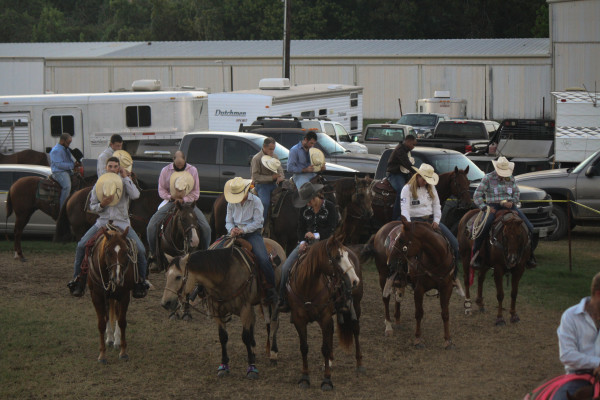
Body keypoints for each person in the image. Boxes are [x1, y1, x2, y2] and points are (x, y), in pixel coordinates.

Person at [67, 156, 149, 298]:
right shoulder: (100, 183)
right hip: (103, 222)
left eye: (115, 167)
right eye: (110, 166)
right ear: (106, 168)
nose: (112, 169)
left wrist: (125, 177)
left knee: (140, 250)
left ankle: (140, 281)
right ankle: (77, 280)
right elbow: (92, 207)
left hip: (122, 223)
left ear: (119, 168)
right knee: (81, 245)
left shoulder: (124, 182)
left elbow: (136, 195)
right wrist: (102, 204)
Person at [277, 181, 338, 312]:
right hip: (306, 242)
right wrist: (303, 241)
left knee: (338, 267)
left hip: (326, 243)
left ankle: (341, 298)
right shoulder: (304, 209)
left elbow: (332, 229)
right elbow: (300, 228)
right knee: (286, 267)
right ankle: (282, 298)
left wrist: (315, 235)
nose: (306, 203)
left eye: (308, 200)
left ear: (314, 196)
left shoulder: (330, 207)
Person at [146, 151, 211, 268]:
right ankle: (155, 255)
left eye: (182, 165)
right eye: (178, 165)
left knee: (205, 227)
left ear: (185, 160)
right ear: (173, 160)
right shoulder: (165, 171)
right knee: (151, 226)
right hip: (171, 202)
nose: (180, 167)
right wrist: (171, 197)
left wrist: (184, 199)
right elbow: (161, 190)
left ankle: (205, 254)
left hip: (188, 204)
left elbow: (196, 193)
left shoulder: (193, 170)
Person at [471, 156, 537, 268]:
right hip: (493, 206)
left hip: (510, 206)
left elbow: (516, 193)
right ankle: (477, 254)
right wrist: (484, 207)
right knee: (484, 226)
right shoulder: (488, 178)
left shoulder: (511, 178)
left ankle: (529, 255)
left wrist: (512, 202)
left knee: (530, 228)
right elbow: (477, 195)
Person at [224, 177, 278, 304]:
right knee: (216, 252)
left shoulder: (256, 201)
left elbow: (258, 222)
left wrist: (243, 230)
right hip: (234, 233)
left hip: (252, 234)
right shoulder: (231, 203)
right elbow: (228, 221)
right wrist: (232, 229)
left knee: (264, 259)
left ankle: (271, 289)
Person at [400, 163, 459, 268]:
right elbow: (405, 209)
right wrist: (408, 224)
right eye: (424, 179)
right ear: (418, 176)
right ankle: (399, 271)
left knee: (455, 245)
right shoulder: (407, 189)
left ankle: (452, 274)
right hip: (414, 221)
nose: (426, 182)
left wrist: (436, 220)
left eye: (427, 180)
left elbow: (437, 205)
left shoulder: (431, 188)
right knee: (403, 247)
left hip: (431, 221)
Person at [553, 272, 600, 399]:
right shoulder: (571, 316)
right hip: (578, 377)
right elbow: (567, 355)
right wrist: (597, 363)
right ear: (598, 294)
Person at [251, 137, 284, 220]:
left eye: (273, 149)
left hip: (274, 184)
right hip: (262, 186)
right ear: (264, 147)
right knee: (265, 203)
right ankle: (261, 225)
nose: (272, 151)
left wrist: (281, 177)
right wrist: (271, 177)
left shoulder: (275, 156)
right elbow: (255, 177)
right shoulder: (256, 158)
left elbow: (280, 170)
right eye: (270, 149)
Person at [387, 135, 417, 220]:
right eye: (413, 144)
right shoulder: (400, 150)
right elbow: (406, 163)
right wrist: (416, 172)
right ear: (408, 142)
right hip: (395, 174)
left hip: (403, 173)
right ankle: (396, 217)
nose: (413, 147)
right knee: (402, 191)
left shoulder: (406, 150)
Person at [49, 133, 75, 209]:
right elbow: (59, 164)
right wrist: (72, 165)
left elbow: (69, 161)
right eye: (68, 142)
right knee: (67, 186)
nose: (69, 144)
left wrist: (75, 164)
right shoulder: (56, 150)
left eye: (70, 142)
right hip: (59, 172)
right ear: (62, 141)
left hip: (67, 171)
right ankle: (62, 209)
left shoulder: (66, 149)